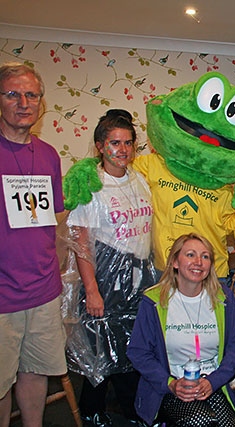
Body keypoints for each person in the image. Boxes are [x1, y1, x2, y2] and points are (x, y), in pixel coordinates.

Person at [62, 109, 156, 426]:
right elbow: (81, 242)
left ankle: (130, 412)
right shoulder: (92, 186)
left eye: (128, 143)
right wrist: (92, 291)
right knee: (103, 352)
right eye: (115, 143)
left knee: (133, 349)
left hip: (139, 277)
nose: (123, 150)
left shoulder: (139, 181)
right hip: (104, 280)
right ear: (101, 146)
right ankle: (94, 414)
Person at [0, 62, 67, 427]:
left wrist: (53, 268)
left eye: (31, 95)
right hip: (2, 295)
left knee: (35, 372)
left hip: (43, 290)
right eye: (12, 94)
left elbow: (55, 222)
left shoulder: (48, 155)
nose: (23, 102)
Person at [127, 233, 235, 426]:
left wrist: (213, 381)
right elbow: (138, 352)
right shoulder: (154, 301)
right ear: (175, 262)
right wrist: (171, 384)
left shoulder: (223, 298)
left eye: (205, 256)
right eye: (190, 255)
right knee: (201, 421)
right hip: (172, 385)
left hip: (212, 383)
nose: (198, 262)